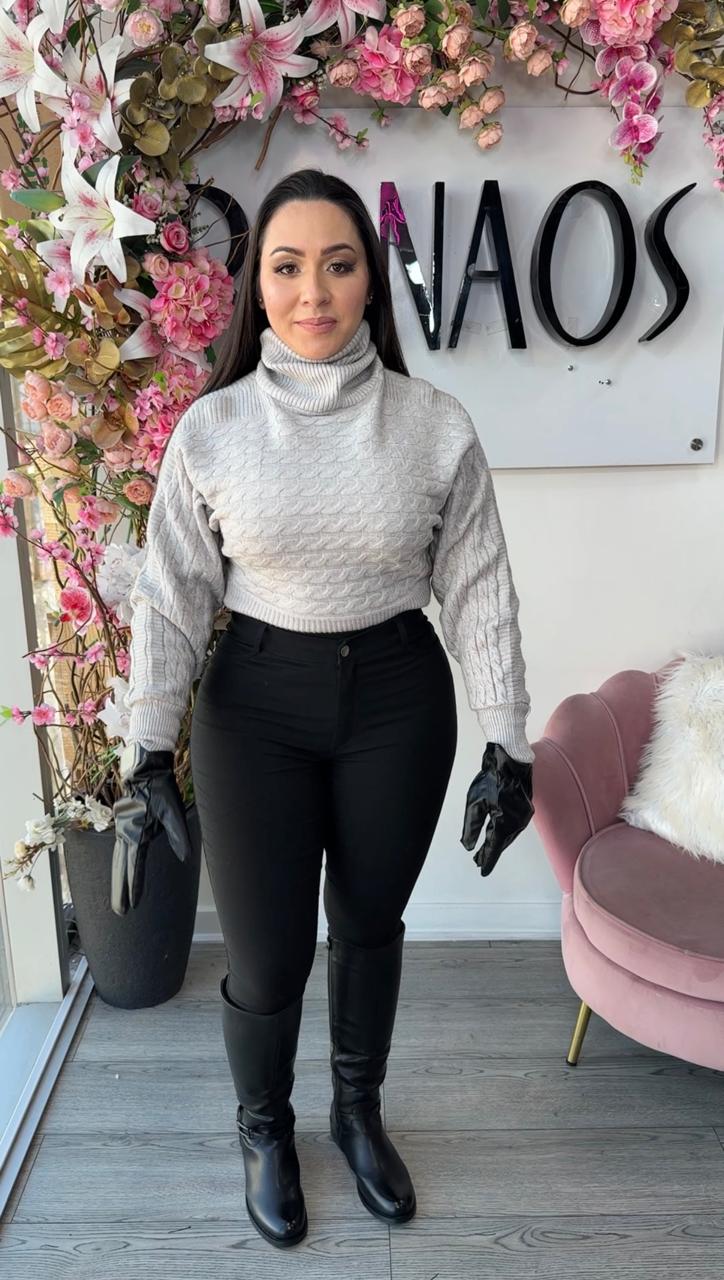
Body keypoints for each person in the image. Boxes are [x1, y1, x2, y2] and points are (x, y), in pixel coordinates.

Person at [112, 166, 535, 1250]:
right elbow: (171, 593)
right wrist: (145, 751)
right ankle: (264, 1129)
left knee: (369, 927)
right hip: (254, 706)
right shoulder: (211, 430)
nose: (313, 292)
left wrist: (509, 741)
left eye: (339, 265)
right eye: (288, 267)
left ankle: (356, 1113)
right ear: (256, 284)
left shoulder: (434, 425)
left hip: (398, 700)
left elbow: (479, 584)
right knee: (265, 959)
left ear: (370, 281)